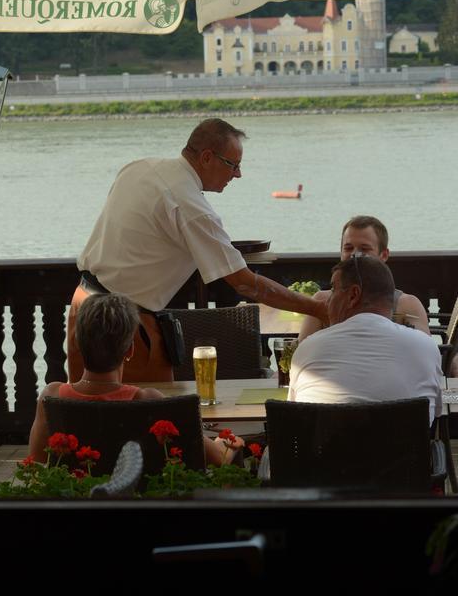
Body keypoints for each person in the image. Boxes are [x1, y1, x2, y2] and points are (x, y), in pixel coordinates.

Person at [68, 117, 328, 383]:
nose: (238, 174)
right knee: (149, 417)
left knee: (81, 412)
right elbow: (246, 284)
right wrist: (318, 309)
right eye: (233, 165)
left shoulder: (138, 168)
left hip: (82, 306)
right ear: (206, 157)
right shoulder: (191, 208)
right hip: (124, 325)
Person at [29, 292, 243, 467]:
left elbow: (38, 461)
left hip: (79, 505)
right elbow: (217, 458)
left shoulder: (52, 396)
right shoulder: (147, 399)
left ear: (76, 344)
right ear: (130, 350)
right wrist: (229, 442)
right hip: (137, 503)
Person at [289, 256, 442, 423]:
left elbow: (295, 413)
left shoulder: (308, 348)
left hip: (328, 448)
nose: (328, 300)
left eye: (333, 289)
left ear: (353, 295)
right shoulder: (426, 346)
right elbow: (438, 408)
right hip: (402, 449)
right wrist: (454, 396)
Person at [297, 215, 430, 340]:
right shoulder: (321, 300)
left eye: (364, 249)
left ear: (383, 255)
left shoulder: (407, 305)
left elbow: (424, 353)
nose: (354, 255)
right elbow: (299, 351)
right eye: (348, 248)